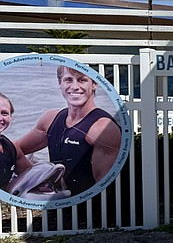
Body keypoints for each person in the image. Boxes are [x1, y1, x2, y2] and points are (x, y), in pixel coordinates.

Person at [15, 66, 122, 195]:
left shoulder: (103, 128)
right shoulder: (50, 119)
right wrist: (32, 175)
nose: (75, 86)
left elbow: (104, 185)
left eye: (82, 80)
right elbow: (13, 149)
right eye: (68, 80)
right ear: (60, 83)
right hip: (54, 202)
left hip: (88, 208)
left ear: (94, 84)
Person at [0, 91, 30, 190]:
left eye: (4, 113)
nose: (0, 118)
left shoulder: (11, 147)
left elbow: (29, 173)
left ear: (10, 117)